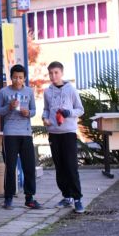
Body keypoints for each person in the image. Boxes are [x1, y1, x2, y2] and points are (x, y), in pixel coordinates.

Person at [0, 64, 40, 210]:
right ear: (11, 78)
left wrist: (28, 113)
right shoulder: (4, 92)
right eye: (14, 77)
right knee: (11, 167)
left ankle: (29, 198)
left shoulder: (29, 91)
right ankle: (8, 198)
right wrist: (9, 107)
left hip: (25, 133)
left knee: (29, 166)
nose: (17, 80)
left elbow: (34, 110)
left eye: (20, 77)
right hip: (10, 133)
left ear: (24, 78)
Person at [42, 61, 86, 214]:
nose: (53, 76)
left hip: (68, 133)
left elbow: (80, 109)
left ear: (61, 73)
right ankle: (66, 196)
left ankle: (77, 198)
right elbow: (46, 110)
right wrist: (45, 118)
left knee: (71, 166)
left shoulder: (71, 90)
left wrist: (69, 113)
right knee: (59, 167)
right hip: (54, 133)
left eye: (56, 72)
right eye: (51, 73)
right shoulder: (47, 92)